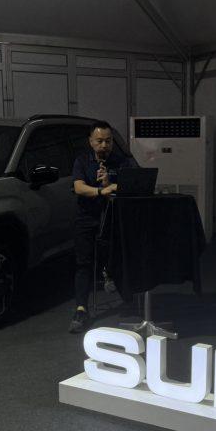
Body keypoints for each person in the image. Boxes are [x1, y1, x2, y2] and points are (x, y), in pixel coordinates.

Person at [69, 121, 138, 333]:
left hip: (113, 218)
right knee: (84, 263)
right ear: (91, 141)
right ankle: (81, 309)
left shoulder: (122, 162)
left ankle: (129, 299)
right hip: (87, 218)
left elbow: (134, 184)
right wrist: (100, 191)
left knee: (120, 257)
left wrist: (110, 184)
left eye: (108, 141)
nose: (104, 145)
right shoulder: (82, 161)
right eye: (99, 141)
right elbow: (79, 187)